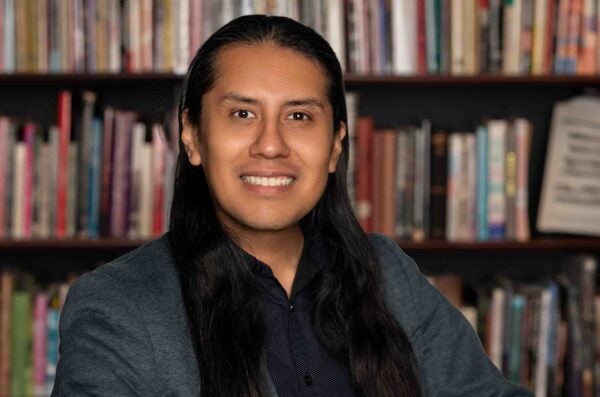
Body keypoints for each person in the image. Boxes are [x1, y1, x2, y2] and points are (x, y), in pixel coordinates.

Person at [52, 15, 534, 397]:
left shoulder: (389, 273)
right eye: (242, 114)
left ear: (335, 145)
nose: (271, 144)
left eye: (299, 116)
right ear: (193, 136)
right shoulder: (117, 304)